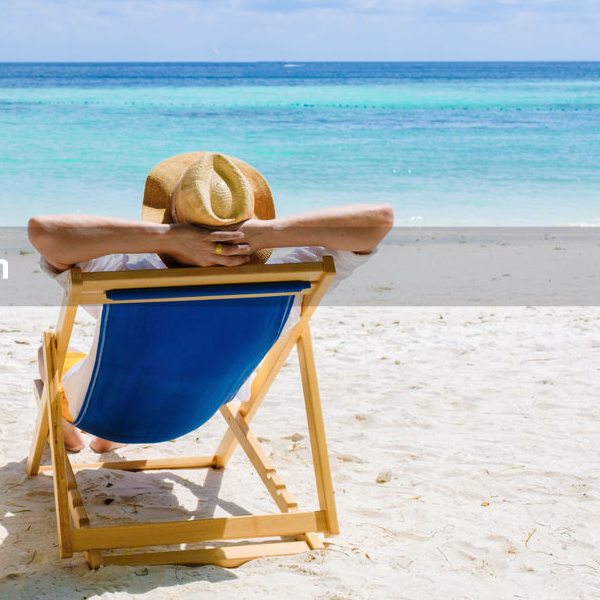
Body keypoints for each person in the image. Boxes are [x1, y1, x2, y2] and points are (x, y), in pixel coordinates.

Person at [28, 152, 394, 453]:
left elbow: (44, 230)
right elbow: (379, 219)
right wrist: (267, 233)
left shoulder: (126, 274)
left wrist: (167, 239)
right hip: (198, 408)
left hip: (101, 409)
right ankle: (105, 442)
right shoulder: (290, 276)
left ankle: (73, 436)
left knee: (50, 355)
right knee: (175, 361)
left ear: (171, 215)